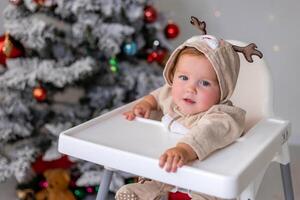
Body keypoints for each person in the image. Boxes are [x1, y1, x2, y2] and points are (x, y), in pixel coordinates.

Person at [115, 32, 262, 200]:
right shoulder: (173, 97)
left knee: (208, 193)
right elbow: (157, 96)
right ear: (172, 75)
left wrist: (184, 149)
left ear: (223, 89)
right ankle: (146, 190)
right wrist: (145, 105)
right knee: (157, 172)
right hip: (173, 167)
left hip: (207, 177)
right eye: (183, 77)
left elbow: (207, 132)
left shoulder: (223, 116)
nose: (190, 89)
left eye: (204, 83)